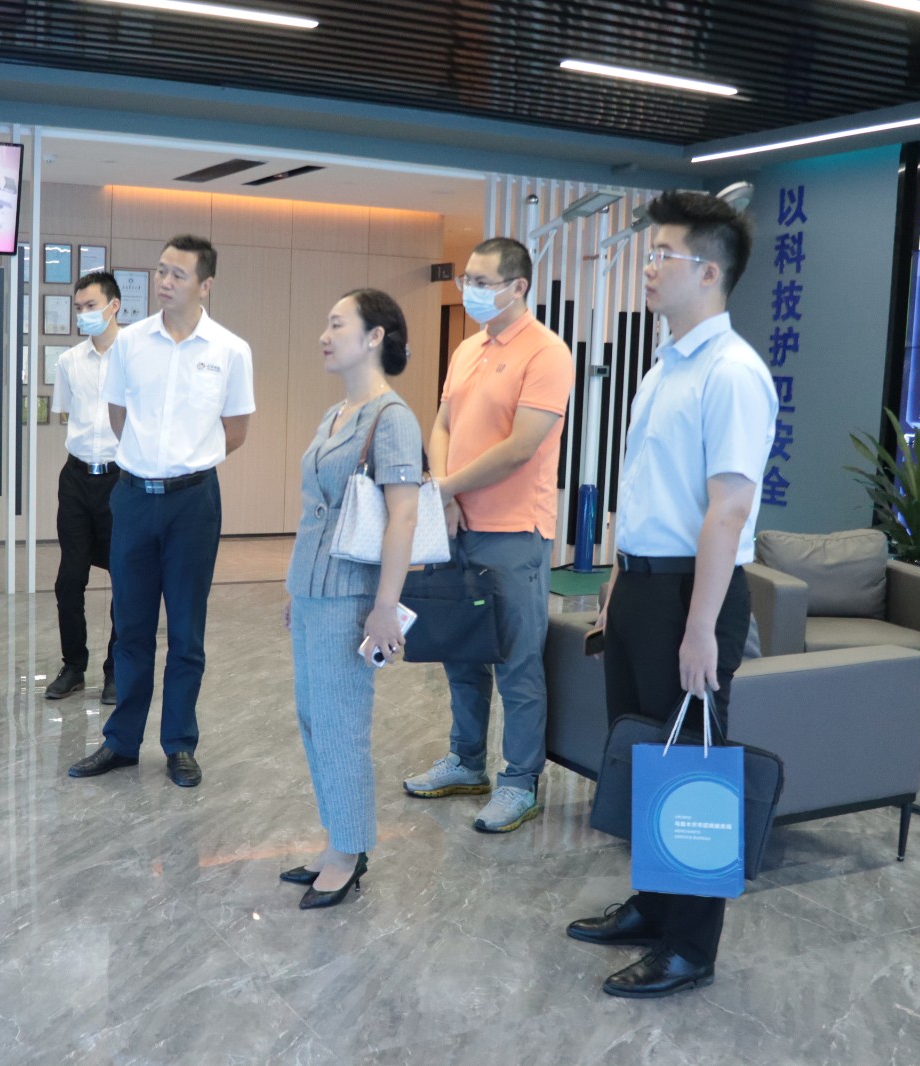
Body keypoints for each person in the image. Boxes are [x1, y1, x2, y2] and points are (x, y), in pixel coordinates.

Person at [565, 190, 775, 998]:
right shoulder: (664, 366)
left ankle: (691, 946)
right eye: (649, 253)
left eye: (663, 255)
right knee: (649, 755)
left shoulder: (734, 373)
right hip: (642, 586)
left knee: (693, 766)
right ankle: (654, 907)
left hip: (696, 595)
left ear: (710, 272)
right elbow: (647, 494)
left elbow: (728, 511)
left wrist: (700, 629)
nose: (648, 267)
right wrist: (617, 588)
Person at [66, 234, 254, 788]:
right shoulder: (130, 343)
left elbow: (236, 430)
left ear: (205, 285)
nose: (164, 281)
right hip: (132, 497)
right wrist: (148, 462)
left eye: (178, 274)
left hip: (194, 502)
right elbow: (118, 415)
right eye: (161, 270)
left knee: (187, 631)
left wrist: (184, 463)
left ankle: (179, 744)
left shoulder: (230, 350)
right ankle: (121, 741)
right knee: (131, 626)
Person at [400, 236, 574, 833]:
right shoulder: (468, 348)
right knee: (460, 649)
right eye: (466, 280)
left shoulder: (546, 352)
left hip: (513, 531)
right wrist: (445, 493)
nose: (469, 290)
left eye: (481, 281)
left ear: (517, 287)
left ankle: (519, 781)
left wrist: (444, 489)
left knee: (517, 662)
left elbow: (521, 447)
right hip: (456, 525)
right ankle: (466, 760)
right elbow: (443, 423)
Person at [281, 289, 421, 909]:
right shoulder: (337, 414)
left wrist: (386, 605)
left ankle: (350, 850)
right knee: (315, 719)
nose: (325, 335)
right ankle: (337, 837)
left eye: (337, 324)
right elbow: (316, 510)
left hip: (353, 597)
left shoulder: (392, 418)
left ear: (374, 337)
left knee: (341, 725)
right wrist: (298, 589)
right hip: (314, 590)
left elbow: (404, 515)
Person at [45, 271, 122, 704]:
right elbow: (65, 412)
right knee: (69, 579)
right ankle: (74, 666)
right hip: (76, 479)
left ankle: (116, 671)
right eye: (78, 308)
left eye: (91, 306)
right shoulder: (69, 361)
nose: (83, 314)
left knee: (124, 579)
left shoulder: (134, 358)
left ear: (114, 306)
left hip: (121, 479)